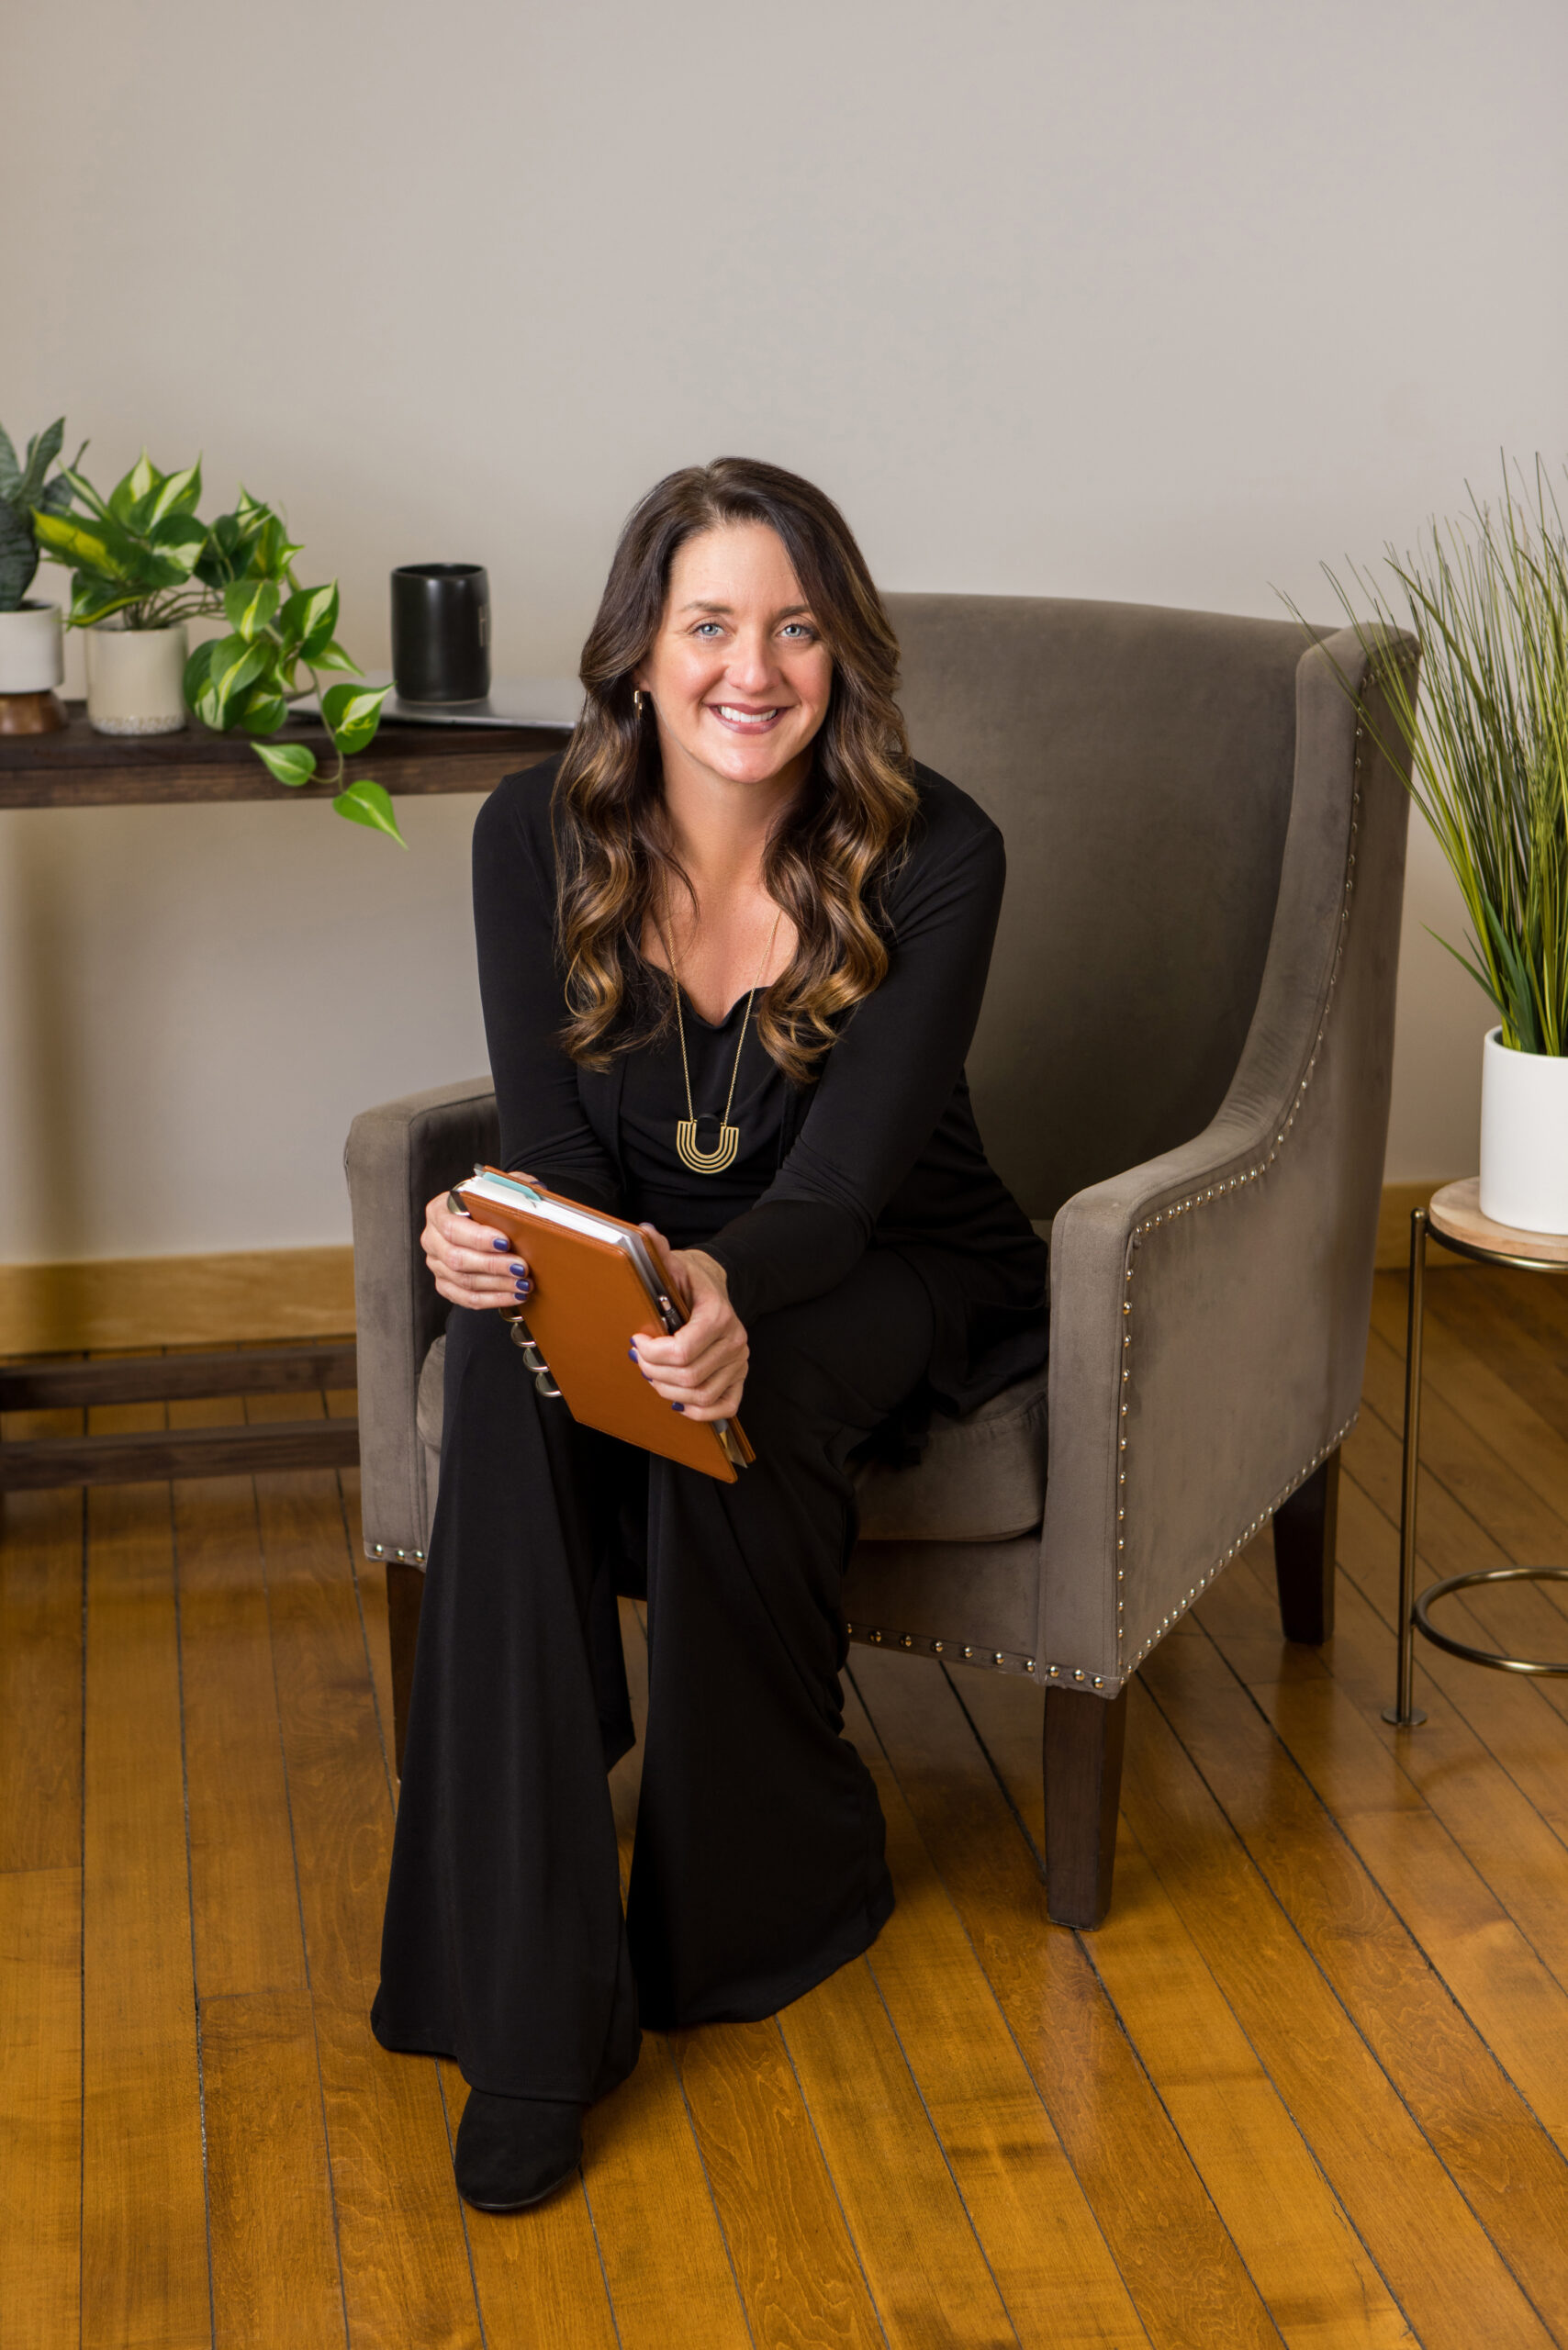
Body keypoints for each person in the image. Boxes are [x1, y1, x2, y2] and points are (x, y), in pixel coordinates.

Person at [371, 457, 1048, 2211]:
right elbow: (560, 1157)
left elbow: (837, 1195)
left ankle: (763, 1891)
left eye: (797, 628)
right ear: (641, 654)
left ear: (843, 657)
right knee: (504, 1376)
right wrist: (494, 1239)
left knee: (737, 1386)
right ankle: (519, 2016)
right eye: (711, 625)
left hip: (889, 1258)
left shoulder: (942, 851)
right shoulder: (530, 833)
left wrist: (721, 1297)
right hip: (672, 1247)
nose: (755, 670)